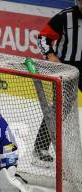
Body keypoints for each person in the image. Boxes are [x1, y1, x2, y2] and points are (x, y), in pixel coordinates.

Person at [35, 0, 82, 162]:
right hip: (67, 68)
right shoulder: (64, 17)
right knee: (60, 110)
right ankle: (40, 147)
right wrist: (50, 56)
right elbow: (43, 37)